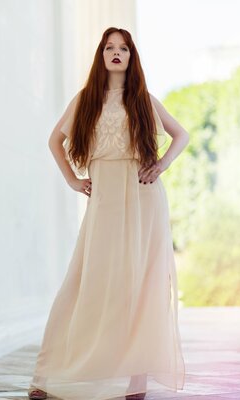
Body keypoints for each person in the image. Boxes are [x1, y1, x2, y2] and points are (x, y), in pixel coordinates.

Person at [27, 27, 189, 400]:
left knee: (141, 283)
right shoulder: (86, 100)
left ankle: (137, 382)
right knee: (87, 280)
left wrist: (161, 165)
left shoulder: (143, 100)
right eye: (109, 48)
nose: (116, 53)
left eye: (124, 48)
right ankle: (48, 375)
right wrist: (72, 180)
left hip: (143, 198)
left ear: (132, 57)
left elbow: (181, 134)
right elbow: (56, 141)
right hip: (105, 200)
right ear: (101, 55)